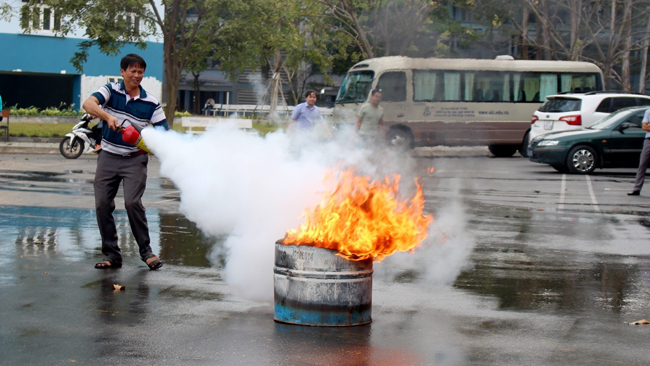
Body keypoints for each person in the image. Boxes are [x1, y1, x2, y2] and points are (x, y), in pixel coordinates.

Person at [82, 53, 169, 270]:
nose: (137, 75)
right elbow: (88, 103)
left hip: (134, 160)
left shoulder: (151, 103)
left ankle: (147, 252)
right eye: (133, 71)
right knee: (102, 205)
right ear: (123, 72)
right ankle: (113, 255)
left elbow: (165, 134)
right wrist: (107, 116)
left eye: (141, 71)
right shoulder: (110, 90)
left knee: (132, 203)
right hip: (108, 157)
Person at [628, 108, 650, 196]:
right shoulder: (648, 111)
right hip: (648, 140)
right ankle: (636, 188)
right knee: (642, 164)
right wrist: (647, 126)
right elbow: (644, 127)